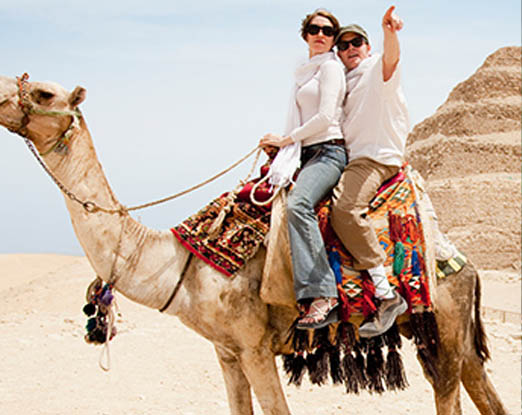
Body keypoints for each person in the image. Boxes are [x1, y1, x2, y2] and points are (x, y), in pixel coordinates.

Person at [259, 9, 347, 330]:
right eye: (314, 29)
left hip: (328, 151)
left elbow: (325, 118)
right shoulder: (303, 71)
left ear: (333, 38)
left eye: (327, 30)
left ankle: (324, 293)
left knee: (298, 204)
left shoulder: (330, 69)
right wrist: (283, 144)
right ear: (305, 34)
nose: (320, 34)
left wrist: (286, 140)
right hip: (304, 153)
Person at [331, 6, 409, 337]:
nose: (351, 49)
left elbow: (391, 59)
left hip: (373, 158)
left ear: (367, 46)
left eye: (357, 42)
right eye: (344, 45)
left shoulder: (376, 69)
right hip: (349, 159)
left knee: (345, 209)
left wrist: (389, 33)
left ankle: (385, 292)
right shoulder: (341, 85)